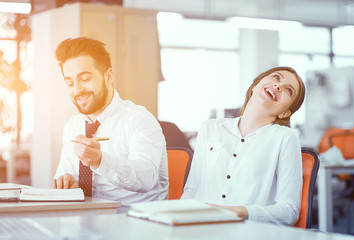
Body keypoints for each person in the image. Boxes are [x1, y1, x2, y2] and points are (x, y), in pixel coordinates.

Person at [181, 66, 306, 225]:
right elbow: (192, 190)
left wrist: (238, 211)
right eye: (276, 77)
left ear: (285, 113)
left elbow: (289, 211)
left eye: (289, 90)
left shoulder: (286, 138)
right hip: (200, 227)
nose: (278, 86)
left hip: (246, 230)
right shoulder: (210, 128)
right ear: (255, 86)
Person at [52, 37, 168, 206]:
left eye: (85, 79)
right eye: (70, 83)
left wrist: (100, 161)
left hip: (134, 221)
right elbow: (65, 173)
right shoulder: (72, 125)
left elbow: (147, 178)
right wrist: (67, 181)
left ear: (109, 76)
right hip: (84, 221)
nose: (77, 90)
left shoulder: (138, 119)